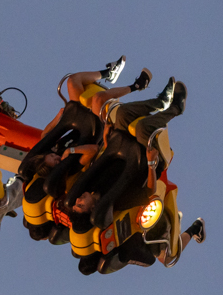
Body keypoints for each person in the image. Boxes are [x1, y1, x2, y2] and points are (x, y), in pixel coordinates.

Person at [63, 78, 186, 228]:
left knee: (122, 113)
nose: (78, 200)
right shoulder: (120, 201)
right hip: (144, 158)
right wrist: (151, 163)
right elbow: (149, 191)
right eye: (81, 205)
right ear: (93, 209)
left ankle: (160, 102)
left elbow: (106, 159)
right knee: (142, 127)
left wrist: (107, 140)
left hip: (122, 146)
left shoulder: (92, 184)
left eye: (76, 203)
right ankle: (175, 108)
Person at [22, 57, 152, 184]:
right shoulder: (71, 166)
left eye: (52, 157)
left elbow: (45, 134)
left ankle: (109, 74)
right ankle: (137, 85)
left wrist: (58, 116)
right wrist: (71, 151)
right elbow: (93, 150)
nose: (56, 158)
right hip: (95, 130)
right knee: (98, 98)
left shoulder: (54, 150)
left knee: (72, 80)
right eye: (56, 162)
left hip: (76, 119)